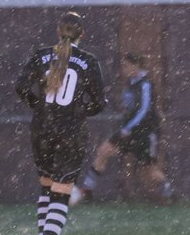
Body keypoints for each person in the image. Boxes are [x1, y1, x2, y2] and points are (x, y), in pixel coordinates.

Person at [15, 12, 106, 235]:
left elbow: (20, 86)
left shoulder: (41, 55)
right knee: (62, 190)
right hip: (71, 132)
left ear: (58, 31)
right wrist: (79, 112)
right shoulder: (89, 61)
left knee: (46, 186)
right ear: (82, 34)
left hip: (42, 128)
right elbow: (99, 102)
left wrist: (38, 106)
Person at [72, 52, 174, 205]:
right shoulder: (130, 84)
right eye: (124, 66)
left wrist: (129, 128)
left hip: (144, 133)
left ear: (136, 65)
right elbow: (129, 108)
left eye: (127, 66)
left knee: (149, 170)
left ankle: (168, 192)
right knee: (104, 151)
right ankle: (86, 191)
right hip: (128, 131)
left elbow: (144, 110)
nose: (124, 69)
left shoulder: (146, 84)